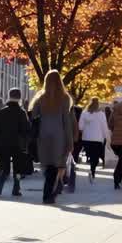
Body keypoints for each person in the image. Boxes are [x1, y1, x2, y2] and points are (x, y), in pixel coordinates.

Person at [30, 71, 76, 204]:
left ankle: (50, 192)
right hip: (59, 136)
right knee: (56, 166)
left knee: (47, 165)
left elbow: (33, 116)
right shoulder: (65, 98)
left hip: (43, 136)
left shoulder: (40, 98)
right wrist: (70, 141)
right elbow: (66, 122)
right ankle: (50, 193)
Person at [0, 88, 31, 196]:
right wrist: (25, 142)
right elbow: (27, 130)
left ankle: (0, 187)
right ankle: (16, 188)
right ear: (19, 98)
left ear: (9, 96)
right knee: (18, 169)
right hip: (18, 145)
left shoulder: (1, 112)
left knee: (5, 167)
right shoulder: (22, 113)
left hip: (3, 144)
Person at [78, 98, 110, 183]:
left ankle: (92, 170)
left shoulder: (84, 113)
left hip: (86, 139)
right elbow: (104, 127)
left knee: (90, 155)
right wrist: (107, 137)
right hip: (98, 139)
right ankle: (93, 171)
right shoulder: (101, 114)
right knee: (95, 157)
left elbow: (80, 127)